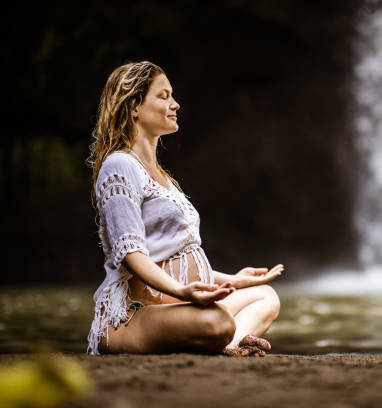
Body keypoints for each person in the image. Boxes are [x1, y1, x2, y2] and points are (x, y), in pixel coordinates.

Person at [85, 61, 283, 357]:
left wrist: (233, 280)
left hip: (180, 306)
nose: (175, 104)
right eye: (164, 96)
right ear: (134, 106)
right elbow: (131, 255)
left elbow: (169, 254)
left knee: (266, 297)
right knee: (217, 321)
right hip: (134, 315)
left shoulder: (164, 179)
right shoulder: (119, 166)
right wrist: (180, 292)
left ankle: (230, 346)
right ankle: (226, 339)